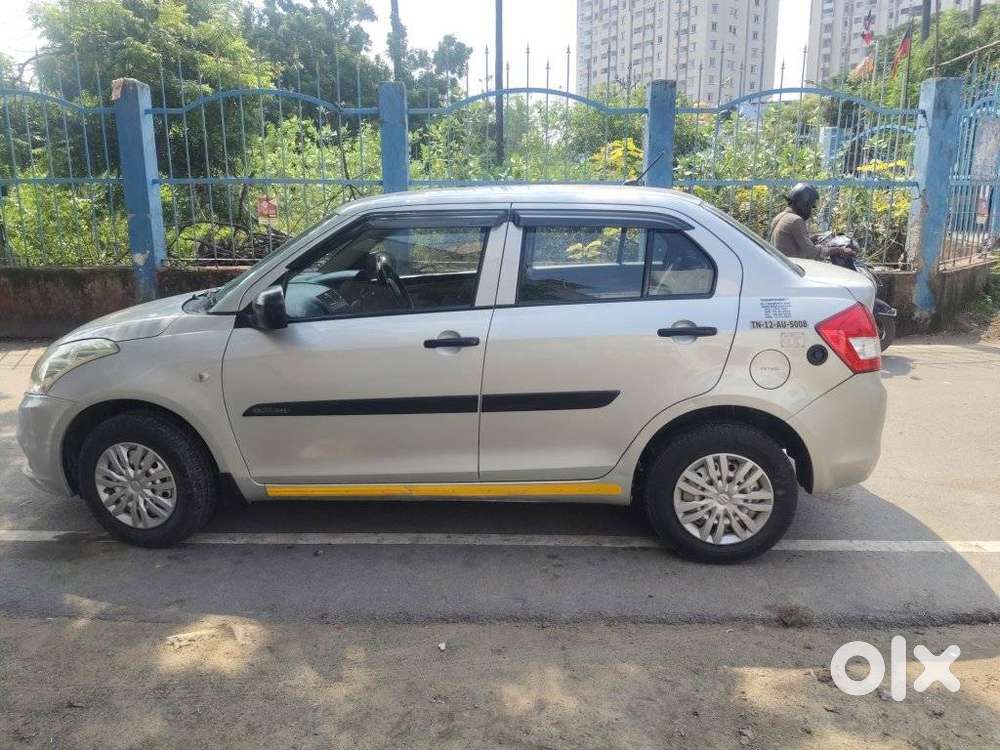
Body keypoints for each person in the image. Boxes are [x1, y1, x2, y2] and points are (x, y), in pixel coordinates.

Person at [769, 183, 854, 261]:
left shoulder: (780, 216)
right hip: (793, 267)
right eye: (810, 206)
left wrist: (813, 238)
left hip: (780, 263)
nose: (810, 211)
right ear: (803, 204)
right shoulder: (795, 220)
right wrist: (839, 250)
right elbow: (811, 252)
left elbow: (789, 243)